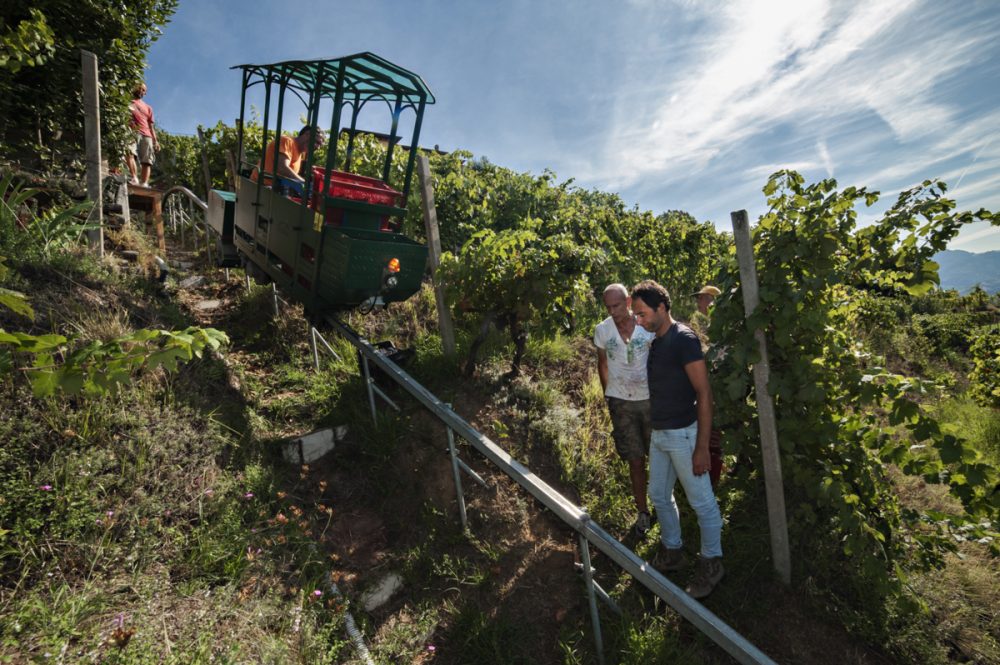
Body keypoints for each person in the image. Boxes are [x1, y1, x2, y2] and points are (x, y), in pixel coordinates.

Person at [631, 279, 724, 599]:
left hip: (685, 436)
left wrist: (702, 447)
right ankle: (673, 551)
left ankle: (712, 562)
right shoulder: (657, 341)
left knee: (702, 503)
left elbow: (704, 392)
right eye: (636, 316)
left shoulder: (683, 339)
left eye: (642, 314)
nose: (638, 321)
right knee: (658, 494)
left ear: (661, 307)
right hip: (661, 434)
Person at [594, 283, 656, 537]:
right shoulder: (603, 330)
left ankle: (667, 505)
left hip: (651, 400)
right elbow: (603, 364)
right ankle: (643, 511)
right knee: (634, 458)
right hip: (621, 403)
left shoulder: (646, 326)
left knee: (661, 457)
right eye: (608, 307)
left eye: (617, 306)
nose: (613, 311)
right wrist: (610, 396)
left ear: (628, 302)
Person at [251, 125, 326, 197]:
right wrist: (304, 183)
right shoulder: (287, 141)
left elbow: (292, 173)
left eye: (320, 145)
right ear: (307, 134)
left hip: (276, 190)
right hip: (259, 187)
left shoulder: (301, 153)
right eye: (317, 142)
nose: (318, 147)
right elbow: (282, 168)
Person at [126, 82, 159, 187]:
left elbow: (151, 126)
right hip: (132, 132)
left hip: (147, 135)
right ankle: (134, 178)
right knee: (129, 153)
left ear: (145, 93)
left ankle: (144, 184)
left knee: (147, 161)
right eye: (140, 88)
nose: (141, 90)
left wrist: (155, 141)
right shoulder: (128, 102)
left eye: (143, 90)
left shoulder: (148, 108)